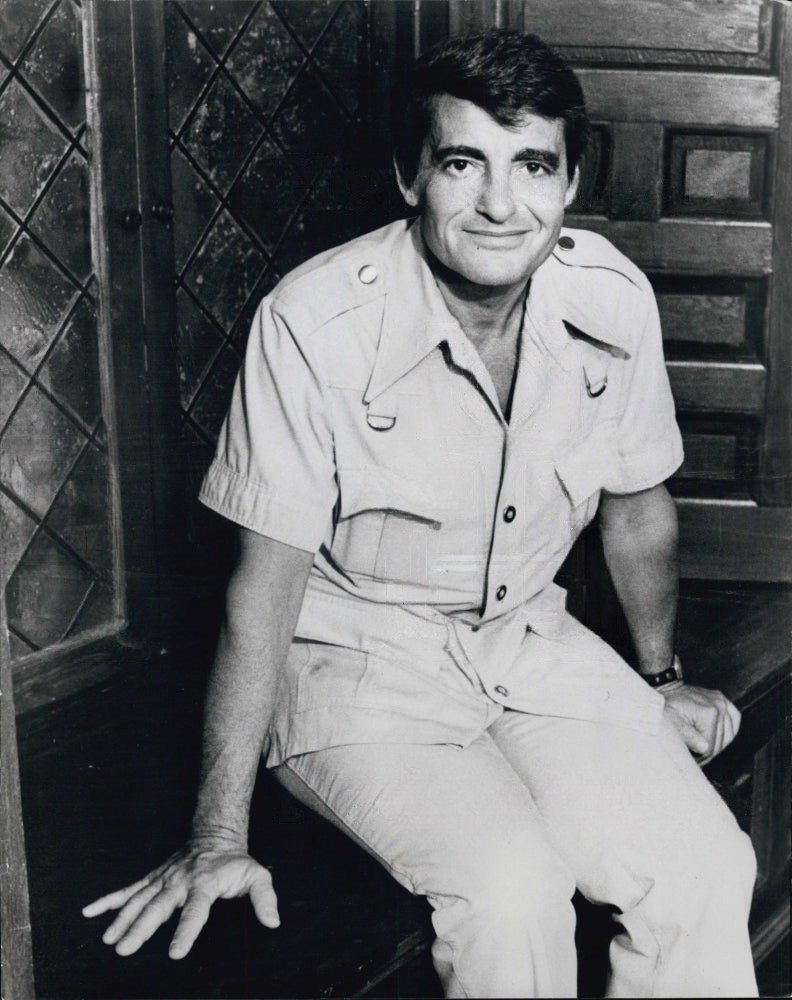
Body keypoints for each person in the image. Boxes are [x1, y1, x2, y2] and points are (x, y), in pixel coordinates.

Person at [84, 30, 758, 998]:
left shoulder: (611, 296)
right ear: (411, 176)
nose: (499, 205)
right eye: (462, 163)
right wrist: (216, 836)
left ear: (571, 182)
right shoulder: (313, 323)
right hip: (358, 666)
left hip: (531, 643)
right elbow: (262, 591)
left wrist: (663, 679)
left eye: (533, 165)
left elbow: (638, 509)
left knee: (707, 868)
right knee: (512, 896)